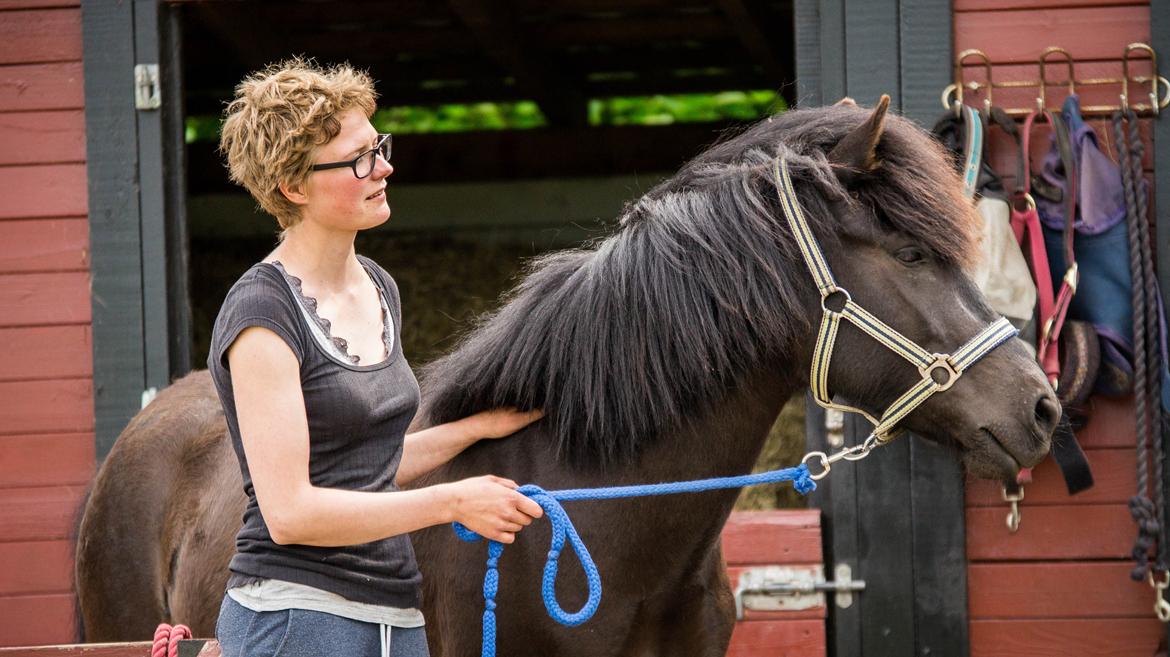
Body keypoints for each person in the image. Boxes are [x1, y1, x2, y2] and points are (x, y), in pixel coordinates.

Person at [207, 58, 544, 657]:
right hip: (296, 619)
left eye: (378, 146)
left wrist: (477, 429)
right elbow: (291, 514)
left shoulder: (379, 286)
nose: (384, 168)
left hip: (395, 618)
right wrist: (453, 501)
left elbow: (367, 466)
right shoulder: (262, 315)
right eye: (359, 158)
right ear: (294, 187)